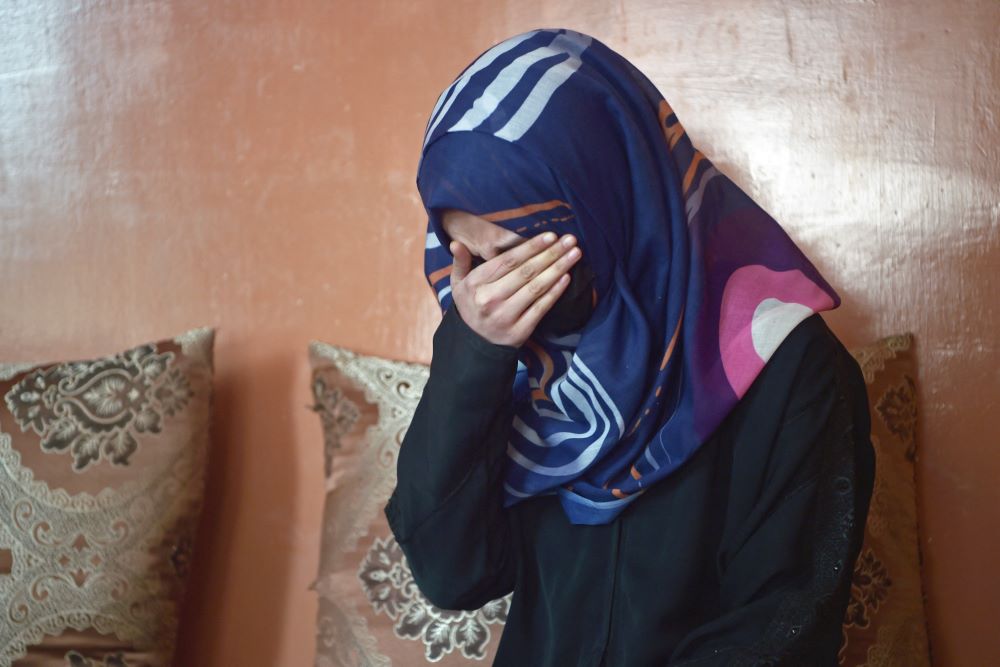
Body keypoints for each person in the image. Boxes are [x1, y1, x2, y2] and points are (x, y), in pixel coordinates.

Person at [384, 27, 875, 666]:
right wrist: (473, 355)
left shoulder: (791, 369)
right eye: (474, 259)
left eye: (516, 253)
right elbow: (453, 576)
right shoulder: (527, 364)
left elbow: (777, 634)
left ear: (606, 202)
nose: (493, 287)